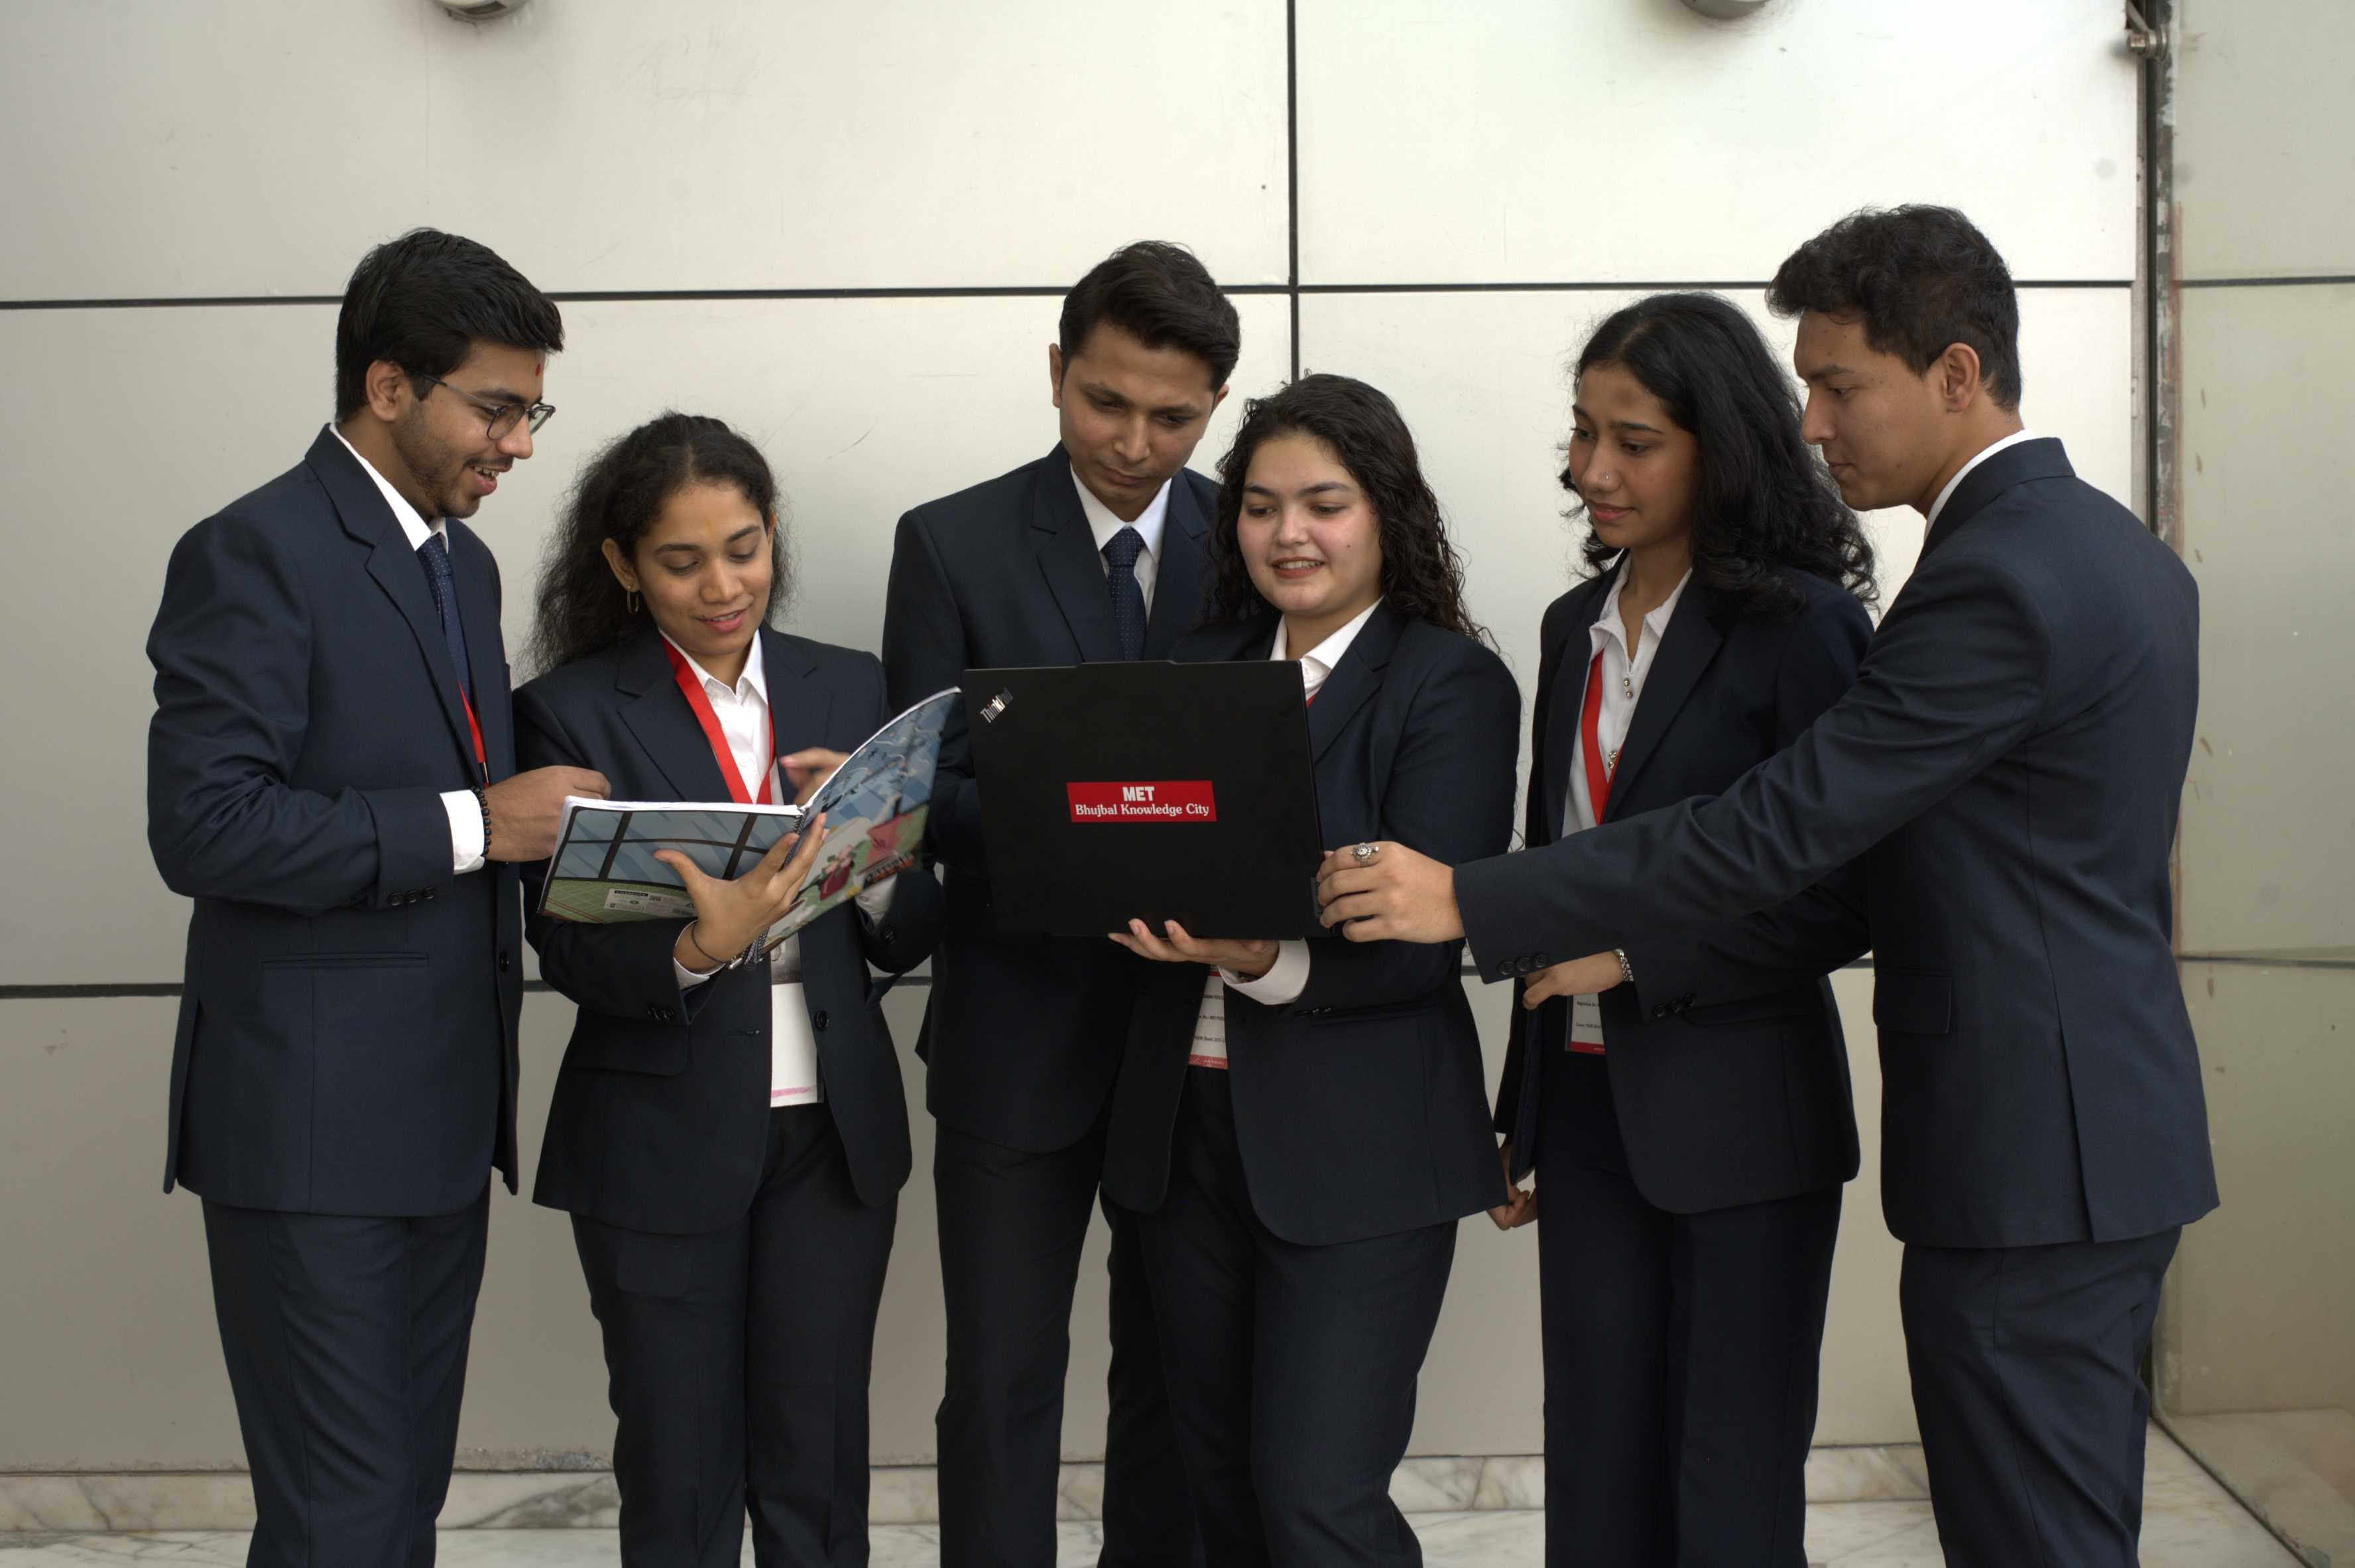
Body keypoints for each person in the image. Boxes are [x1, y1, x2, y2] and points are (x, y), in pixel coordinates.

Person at [1316, 206, 2216, 1568]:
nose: (1814, 421)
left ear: (1958, 376)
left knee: (2024, 1529)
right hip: (2071, 1130)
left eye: (1840, 384)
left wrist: (1483, 901)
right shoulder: (2103, 549)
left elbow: (1787, 826)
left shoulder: (1996, 580)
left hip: (2036, 1142)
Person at [146, 229, 591, 1568]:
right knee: (344, 1516)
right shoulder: (250, 550)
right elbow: (208, 826)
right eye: (496, 407)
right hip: (308, 1129)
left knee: (395, 1506)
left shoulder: (464, 564)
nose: (519, 443)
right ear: (389, 387)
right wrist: (481, 822)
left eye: (533, 411)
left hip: (444, 1121)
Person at [1102, 374, 1520, 1568]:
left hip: (1364, 1146)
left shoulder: (1449, 684)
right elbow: (1129, 842)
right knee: (1213, 1483)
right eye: (1260, 506)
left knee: (1316, 1496)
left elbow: (1432, 933)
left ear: (1385, 511)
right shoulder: (1197, 663)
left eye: (1325, 504)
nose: (1290, 534)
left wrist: (1264, 955)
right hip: (1183, 1130)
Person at [1484, 293, 1876, 1565]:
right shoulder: (1568, 630)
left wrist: (1641, 956)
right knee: (1594, 1479)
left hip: (1743, 1118)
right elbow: (1553, 875)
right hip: (1588, 1112)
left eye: (1635, 439)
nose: (1595, 469)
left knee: (1728, 1489)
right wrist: (1523, 1110)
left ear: (1723, 445)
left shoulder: (1802, 626)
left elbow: (1843, 890)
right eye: (1586, 432)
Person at [515, 413, 943, 1567]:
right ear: (620, 566)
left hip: (832, 1131)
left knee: (816, 1459)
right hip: (658, 1128)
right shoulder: (572, 707)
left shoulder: (847, 683)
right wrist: (703, 948)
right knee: (680, 1462)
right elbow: (564, 946)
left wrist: (869, 864)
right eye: (682, 560)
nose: (723, 586)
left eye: (744, 548)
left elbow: (914, 929)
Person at [880, 241, 1237, 1568]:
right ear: (1054, 374)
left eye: (1173, 417)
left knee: (1176, 1382)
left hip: (1196, 1039)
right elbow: (920, 798)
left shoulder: (1252, 541)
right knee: (1000, 1383)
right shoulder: (952, 541)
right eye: (1106, 403)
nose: (1136, 443)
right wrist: (1119, 823)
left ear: (1213, 412)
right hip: (1013, 1034)